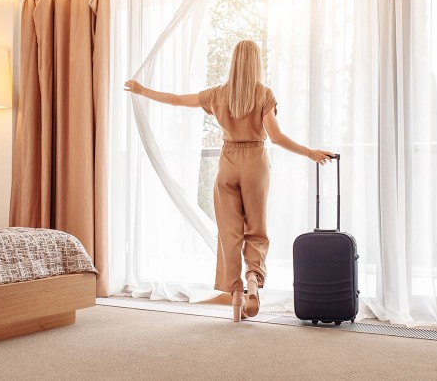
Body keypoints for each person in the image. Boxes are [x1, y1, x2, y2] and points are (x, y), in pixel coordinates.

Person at [125, 39, 334, 322]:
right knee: (256, 229)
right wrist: (309, 152)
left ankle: (235, 298)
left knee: (229, 232)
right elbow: (277, 137)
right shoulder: (264, 94)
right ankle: (252, 280)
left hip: (228, 163)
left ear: (233, 62)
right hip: (255, 163)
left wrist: (142, 90)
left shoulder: (218, 94)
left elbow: (176, 100)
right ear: (257, 63)